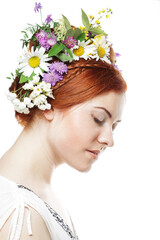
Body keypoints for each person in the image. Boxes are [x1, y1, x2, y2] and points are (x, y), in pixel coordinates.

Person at [0, 3, 127, 240]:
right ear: (48, 105)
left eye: (114, 125)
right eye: (99, 119)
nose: (109, 140)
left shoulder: (40, 195)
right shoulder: (22, 216)